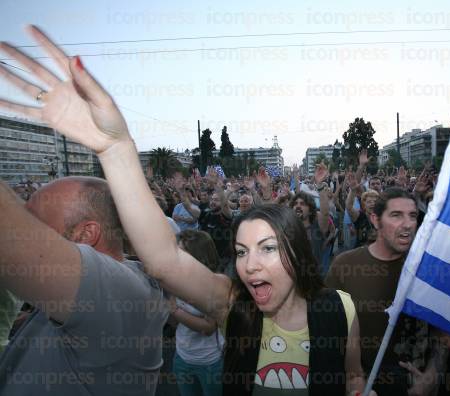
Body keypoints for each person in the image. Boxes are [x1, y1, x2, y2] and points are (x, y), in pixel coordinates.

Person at [0, 26, 375, 396]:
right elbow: (164, 260)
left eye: (267, 248)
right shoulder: (234, 308)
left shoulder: (339, 309)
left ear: (296, 249)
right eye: (241, 252)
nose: (249, 265)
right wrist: (116, 150)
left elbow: (353, 376)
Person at [0, 176, 169, 395]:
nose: (26, 226)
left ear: (86, 234)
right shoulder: (87, 291)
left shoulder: (123, 290)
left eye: (33, 220)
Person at [326, 188, 450, 396]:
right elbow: (326, 328)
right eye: (396, 215)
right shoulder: (345, 265)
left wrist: (431, 377)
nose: (408, 224)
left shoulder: (429, 269)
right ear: (376, 220)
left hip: (412, 386)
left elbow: (443, 332)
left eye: (412, 216)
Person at [172, 230, 225, 396]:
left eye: (182, 253)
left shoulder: (214, 283)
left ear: (198, 255)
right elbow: (176, 323)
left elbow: (209, 327)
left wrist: (172, 309)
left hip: (210, 361)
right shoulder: (175, 280)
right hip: (182, 357)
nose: (176, 258)